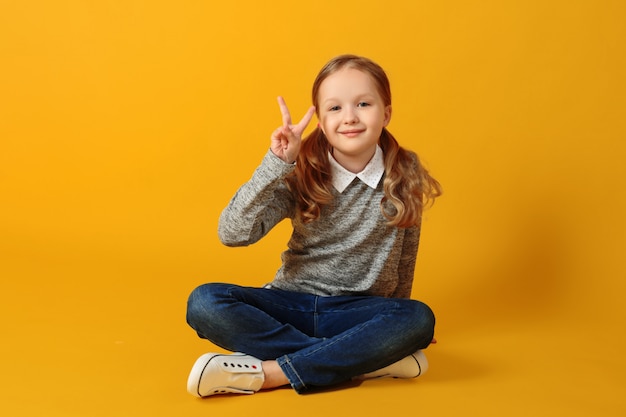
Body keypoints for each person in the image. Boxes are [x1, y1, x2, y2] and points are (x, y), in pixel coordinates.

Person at [186, 54, 442, 397]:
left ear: (386, 113)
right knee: (204, 301)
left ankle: (270, 373)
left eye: (363, 104)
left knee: (419, 319)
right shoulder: (298, 171)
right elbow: (232, 234)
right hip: (290, 304)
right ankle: (357, 360)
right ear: (320, 120)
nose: (349, 117)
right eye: (334, 108)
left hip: (356, 313)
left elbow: (406, 255)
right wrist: (276, 164)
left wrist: (397, 326)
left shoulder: (403, 172)